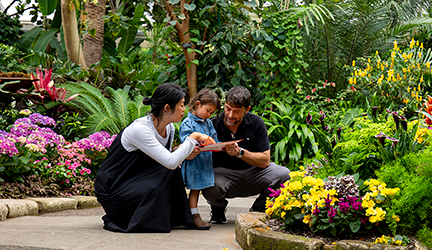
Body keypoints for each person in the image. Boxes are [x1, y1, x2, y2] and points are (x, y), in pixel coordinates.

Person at [94, 83, 212, 233]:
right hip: (115, 189)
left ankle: (176, 217)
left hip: (136, 179)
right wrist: (193, 137)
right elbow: (169, 161)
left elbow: (163, 157)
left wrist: (186, 151)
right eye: (181, 105)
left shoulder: (168, 128)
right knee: (170, 169)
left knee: (171, 172)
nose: (184, 110)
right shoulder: (141, 129)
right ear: (167, 108)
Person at [200, 86, 290, 224]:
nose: (230, 115)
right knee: (205, 178)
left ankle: (258, 209)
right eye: (228, 109)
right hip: (223, 177)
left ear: (247, 110)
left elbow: (265, 161)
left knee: (284, 174)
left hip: (254, 174)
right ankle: (217, 208)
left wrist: (240, 153)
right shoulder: (212, 124)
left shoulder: (256, 123)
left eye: (236, 112)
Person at [179, 88, 220, 230]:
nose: (209, 115)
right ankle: (194, 216)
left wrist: (217, 144)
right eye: (208, 110)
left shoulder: (208, 123)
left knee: (200, 188)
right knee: (194, 190)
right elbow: (186, 140)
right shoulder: (187, 123)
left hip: (204, 162)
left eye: (212, 113)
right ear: (197, 104)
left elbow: (214, 137)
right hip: (194, 163)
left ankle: (192, 214)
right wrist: (197, 143)